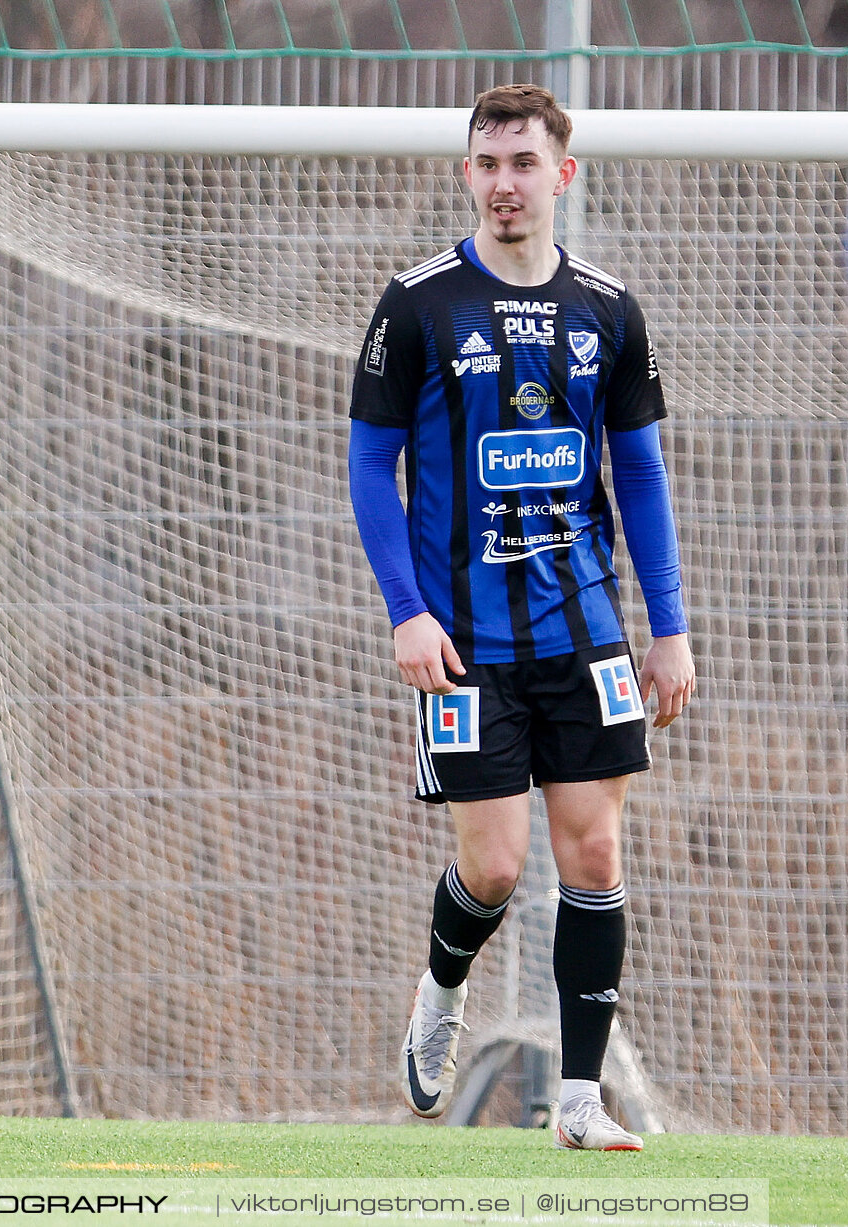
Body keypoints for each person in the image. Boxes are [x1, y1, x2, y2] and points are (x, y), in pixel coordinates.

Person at [348, 83, 695, 1150]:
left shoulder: (609, 307)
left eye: (524, 164)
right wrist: (407, 612)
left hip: (585, 631)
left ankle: (583, 1102)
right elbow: (371, 467)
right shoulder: (416, 303)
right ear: (469, 174)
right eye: (488, 164)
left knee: (594, 855)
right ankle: (444, 989)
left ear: (563, 175)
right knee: (494, 868)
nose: (506, 183)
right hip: (463, 641)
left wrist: (669, 627)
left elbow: (638, 473)